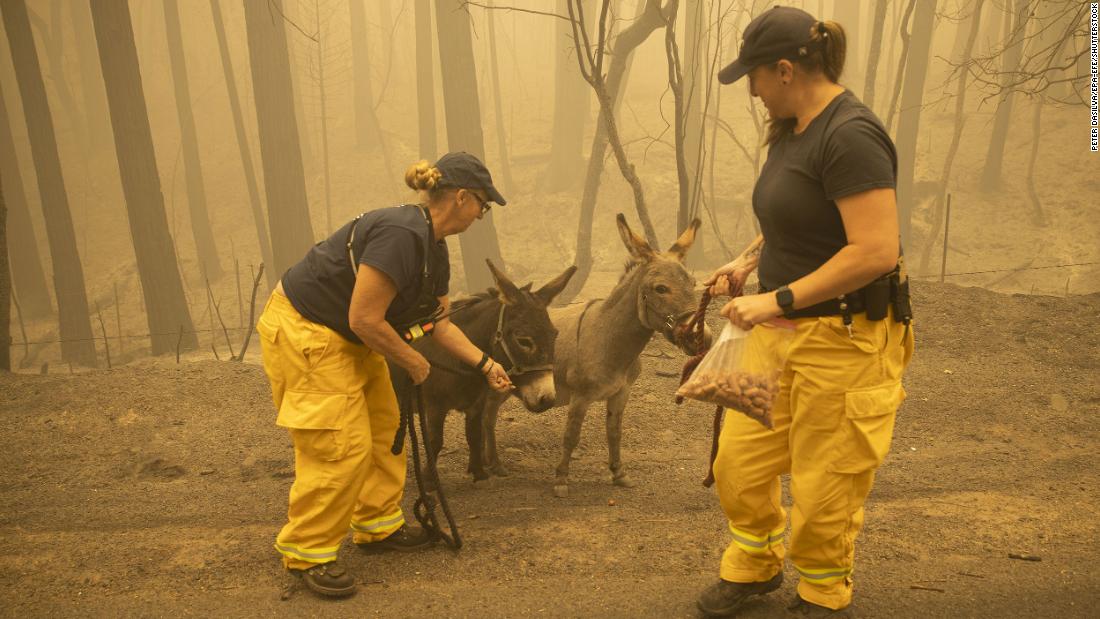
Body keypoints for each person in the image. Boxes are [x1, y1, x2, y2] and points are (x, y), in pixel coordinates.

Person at [696, 6, 915, 617]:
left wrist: (775, 298)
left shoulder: (850, 135)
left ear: (786, 70)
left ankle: (822, 587)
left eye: (755, 78)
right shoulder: (794, 129)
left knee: (827, 478)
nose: (753, 91)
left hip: (843, 338)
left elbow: (875, 249)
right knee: (739, 460)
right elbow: (799, 217)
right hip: (777, 332)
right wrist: (747, 261)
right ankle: (753, 564)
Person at [255, 152, 515, 598]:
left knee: (385, 428)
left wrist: (487, 365)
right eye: (483, 206)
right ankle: (308, 551)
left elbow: (440, 323)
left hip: (351, 336)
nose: (482, 215)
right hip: (307, 330)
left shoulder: (433, 247)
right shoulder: (401, 234)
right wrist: (415, 362)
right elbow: (364, 318)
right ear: (461, 197)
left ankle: (378, 525)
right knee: (340, 444)